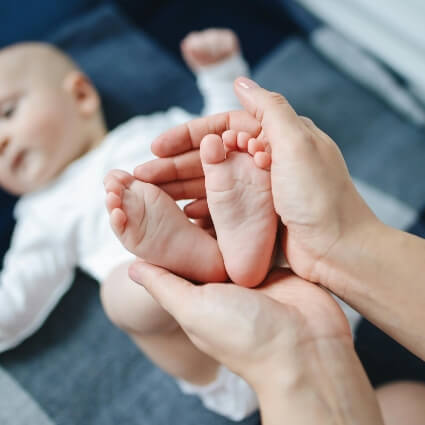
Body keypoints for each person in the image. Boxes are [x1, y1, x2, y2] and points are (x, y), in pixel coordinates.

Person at [127, 77, 425, 424]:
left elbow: (225, 120)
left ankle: (195, 264)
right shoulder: (50, 213)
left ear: (82, 95)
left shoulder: (55, 205)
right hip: (214, 282)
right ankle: (193, 260)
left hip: (234, 341)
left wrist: (218, 74)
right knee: (409, 401)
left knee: (128, 302)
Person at [0, 30, 262, 421]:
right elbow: (15, 303)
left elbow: (225, 127)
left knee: (234, 156)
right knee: (122, 291)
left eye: (7, 114)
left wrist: (221, 73)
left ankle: (208, 249)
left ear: (81, 95)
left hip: (291, 287)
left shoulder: (152, 131)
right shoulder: (40, 215)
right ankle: (186, 259)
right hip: (211, 345)